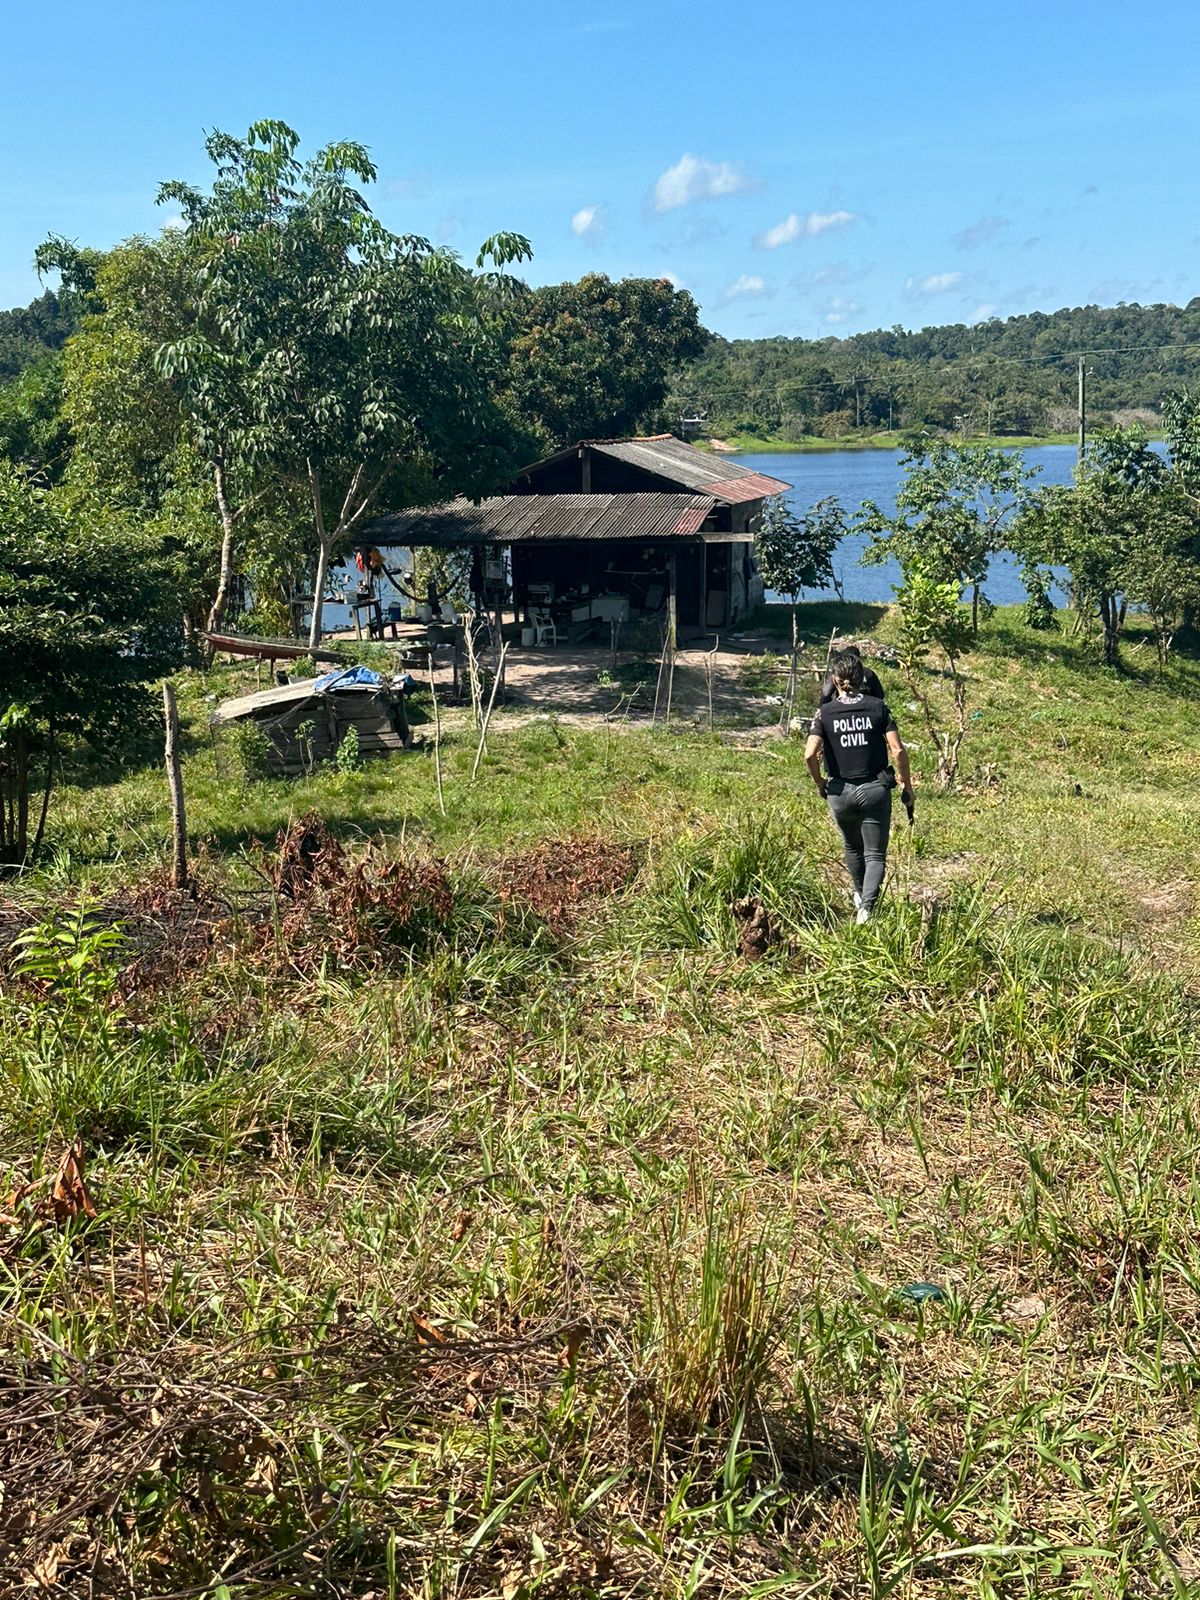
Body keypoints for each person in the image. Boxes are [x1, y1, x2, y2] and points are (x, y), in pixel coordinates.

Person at [805, 647, 914, 924]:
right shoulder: (878, 707)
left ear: (835, 680)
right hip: (874, 790)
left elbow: (809, 754)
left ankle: (858, 893)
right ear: (861, 676)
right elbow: (898, 751)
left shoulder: (824, 713)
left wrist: (820, 783)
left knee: (852, 847)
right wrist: (907, 785)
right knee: (875, 853)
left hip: (839, 792)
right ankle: (866, 908)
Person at [818, 643, 884, 705]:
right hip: (867, 708)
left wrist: (826, 709)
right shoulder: (869, 673)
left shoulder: (839, 673)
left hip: (842, 709)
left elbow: (826, 694)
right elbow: (880, 695)